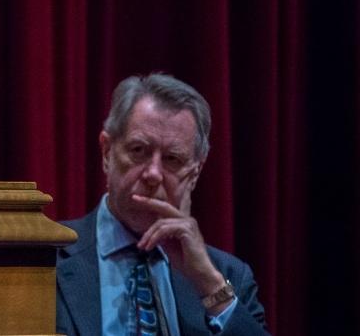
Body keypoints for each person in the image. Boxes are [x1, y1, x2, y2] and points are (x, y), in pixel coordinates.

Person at [56, 74, 268, 335]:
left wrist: (208, 285)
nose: (153, 173)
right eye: (139, 150)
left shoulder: (228, 277)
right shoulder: (44, 261)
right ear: (107, 152)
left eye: (172, 159)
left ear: (195, 173)